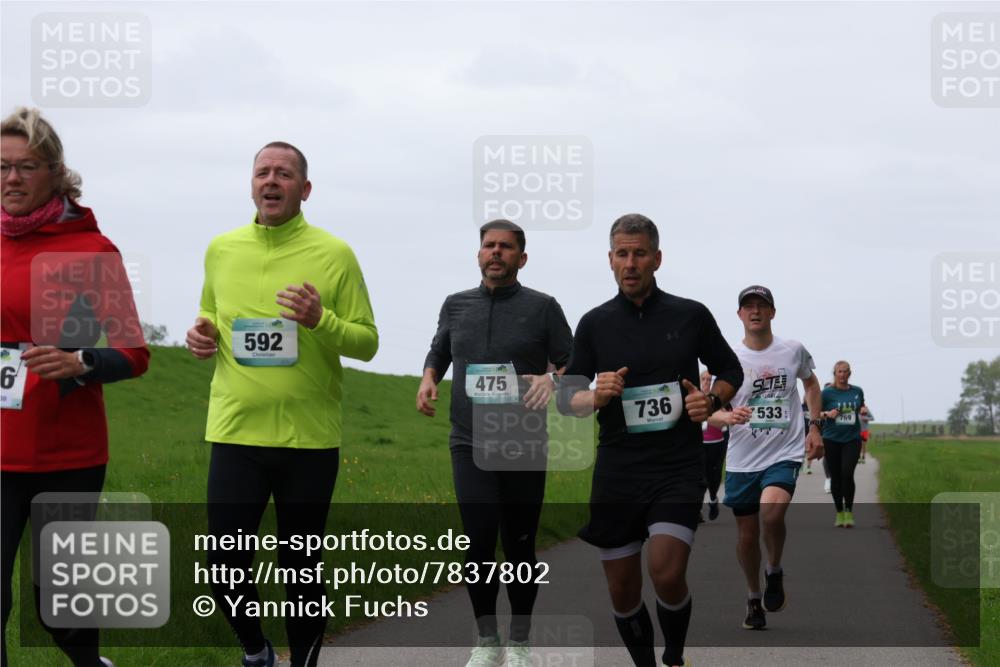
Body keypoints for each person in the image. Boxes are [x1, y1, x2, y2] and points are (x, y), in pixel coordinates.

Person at [186, 142, 377, 667]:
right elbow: (208, 311)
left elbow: (367, 342)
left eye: (284, 174)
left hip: (307, 440)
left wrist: (321, 321)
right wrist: (201, 333)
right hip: (235, 433)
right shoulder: (221, 249)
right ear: (251, 184)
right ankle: (256, 650)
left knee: (301, 569)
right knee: (224, 565)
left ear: (305, 189)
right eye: (263, 172)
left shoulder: (334, 254)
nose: (272, 181)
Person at [557, 214, 742, 667]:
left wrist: (710, 398)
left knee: (666, 569)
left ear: (657, 259)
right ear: (610, 260)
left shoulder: (690, 315)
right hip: (619, 468)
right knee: (622, 589)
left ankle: (675, 657)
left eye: (640, 253)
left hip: (676, 466)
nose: (631, 262)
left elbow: (731, 370)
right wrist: (595, 396)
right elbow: (567, 400)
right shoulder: (594, 324)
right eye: (622, 253)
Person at [2, 107, 149, 667]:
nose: (12, 178)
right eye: (1, 166)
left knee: (57, 609)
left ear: (55, 174)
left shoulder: (90, 251)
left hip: (66, 454)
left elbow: (134, 355)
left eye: (27, 166)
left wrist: (81, 359)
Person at [417, 219, 573, 667]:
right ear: (479, 254)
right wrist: (429, 379)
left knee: (520, 545)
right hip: (468, 441)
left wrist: (551, 377)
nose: (496, 253)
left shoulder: (543, 308)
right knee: (480, 539)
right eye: (489, 246)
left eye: (506, 247)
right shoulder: (456, 305)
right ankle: (487, 642)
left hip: (524, 442)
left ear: (521, 258)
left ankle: (520, 643)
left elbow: (572, 358)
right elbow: (439, 351)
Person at [707, 286, 823, 631]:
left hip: (783, 451)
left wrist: (814, 427)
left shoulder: (792, 350)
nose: (755, 311)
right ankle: (754, 596)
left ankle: (774, 569)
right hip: (743, 457)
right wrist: (725, 418)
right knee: (745, 534)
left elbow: (812, 386)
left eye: (762, 306)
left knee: (772, 514)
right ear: (740, 315)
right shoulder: (728, 359)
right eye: (748, 307)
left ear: (772, 312)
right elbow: (709, 410)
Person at [819, 361, 867, 528]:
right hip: (831, 439)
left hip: (852, 439)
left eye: (845, 372)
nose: (842, 375)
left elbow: (861, 405)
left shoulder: (857, 391)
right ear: (835, 373)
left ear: (849, 373)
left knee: (847, 474)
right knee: (836, 477)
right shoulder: (826, 393)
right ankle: (839, 512)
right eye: (839, 372)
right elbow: (815, 412)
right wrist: (827, 413)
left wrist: (863, 410)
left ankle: (849, 512)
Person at [700, 371, 727, 522]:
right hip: (699, 443)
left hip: (717, 442)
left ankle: (712, 499)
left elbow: (725, 417)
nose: (706, 382)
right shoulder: (693, 397)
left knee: (714, 476)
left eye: (709, 379)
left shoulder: (719, 397)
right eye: (703, 379)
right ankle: (696, 509)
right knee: (699, 476)